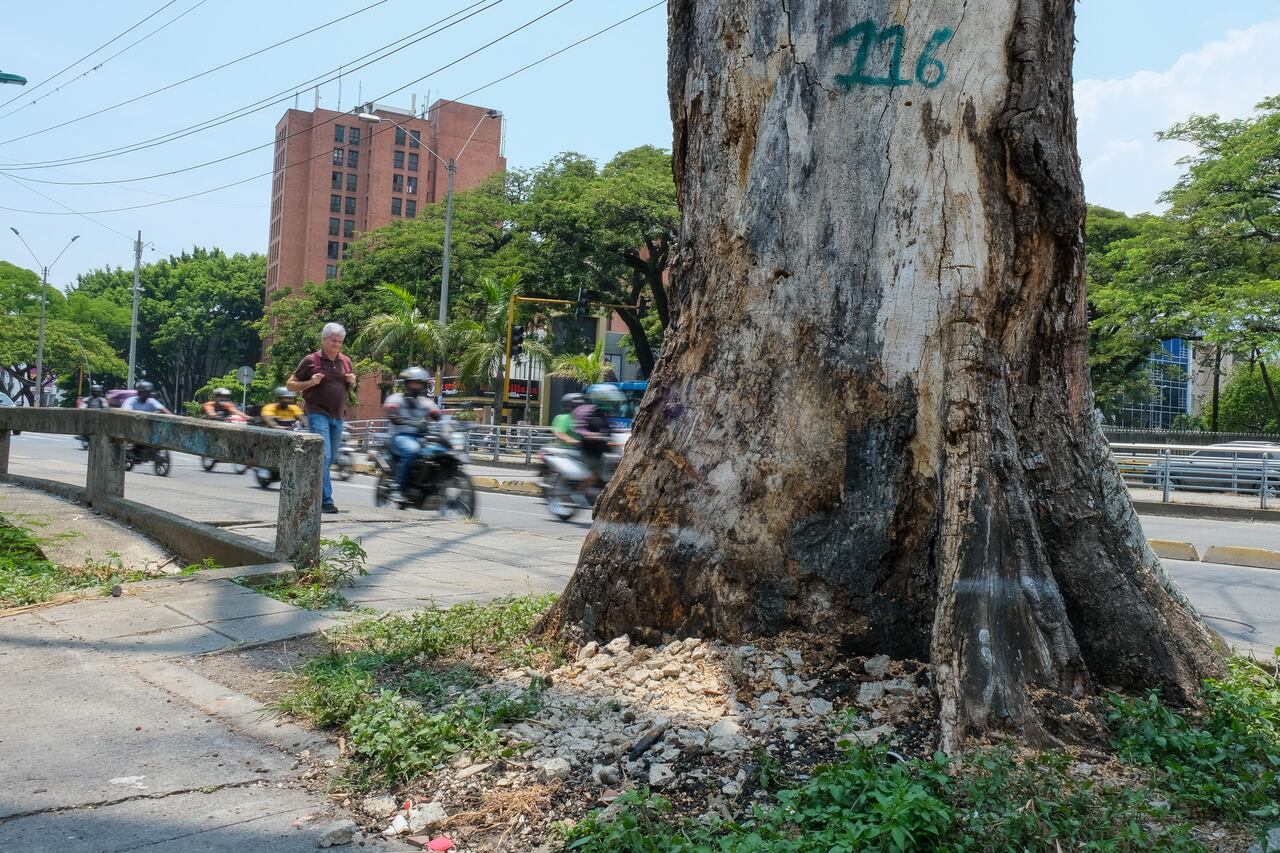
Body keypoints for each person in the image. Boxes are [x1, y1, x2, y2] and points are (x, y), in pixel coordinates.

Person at [287, 322, 356, 514]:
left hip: (338, 415)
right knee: (324, 456)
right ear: (324, 340)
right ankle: (326, 500)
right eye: (333, 340)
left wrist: (352, 382)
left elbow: (348, 388)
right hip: (318, 413)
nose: (337, 344)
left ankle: (309, 489)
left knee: (331, 457)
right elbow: (290, 385)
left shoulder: (345, 361)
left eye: (340, 341)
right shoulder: (311, 360)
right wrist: (311, 382)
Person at [382, 366, 442, 500]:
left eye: (419, 383)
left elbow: (437, 415)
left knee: (438, 451)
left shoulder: (425, 402)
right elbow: (391, 412)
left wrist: (448, 421)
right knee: (412, 450)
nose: (416, 386)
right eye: (413, 383)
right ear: (406, 384)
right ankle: (398, 488)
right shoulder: (395, 399)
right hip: (399, 437)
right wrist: (397, 418)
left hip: (421, 437)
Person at [574, 385, 621, 488]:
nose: (611, 403)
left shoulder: (604, 413)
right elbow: (580, 430)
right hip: (590, 452)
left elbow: (612, 429)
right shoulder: (586, 411)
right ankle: (579, 493)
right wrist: (594, 435)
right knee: (597, 473)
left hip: (604, 452)